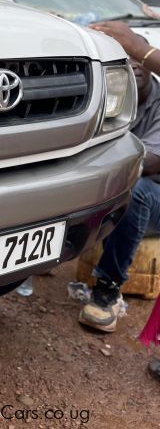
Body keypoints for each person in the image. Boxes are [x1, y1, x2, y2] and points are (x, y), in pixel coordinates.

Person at [88, 20, 160, 380]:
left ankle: (107, 290)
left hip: (153, 198)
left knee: (136, 189)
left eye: (138, 59)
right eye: (125, 60)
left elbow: (149, 165)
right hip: (108, 185)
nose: (133, 67)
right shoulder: (106, 93)